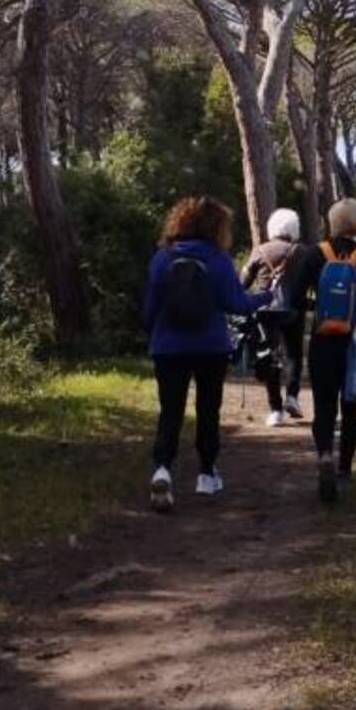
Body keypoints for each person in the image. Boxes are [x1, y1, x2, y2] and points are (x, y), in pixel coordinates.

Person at [142, 195, 270, 511]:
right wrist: (264, 298)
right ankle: (207, 474)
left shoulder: (162, 258)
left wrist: (153, 335)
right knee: (208, 410)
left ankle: (162, 468)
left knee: (170, 410)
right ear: (218, 227)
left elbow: (149, 307)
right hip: (210, 346)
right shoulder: (217, 258)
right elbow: (236, 304)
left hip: (168, 347)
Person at [276, 198, 356, 504]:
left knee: (324, 407)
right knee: (350, 408)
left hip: (323, 340)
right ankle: (344, 470)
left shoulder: (316, 253)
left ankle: (324, 454)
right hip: (354, 343)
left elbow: (295, 297)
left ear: (333, 221)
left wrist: (319, 305)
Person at [241, 208, 320, 427]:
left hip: (265, 311)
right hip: (294, 310)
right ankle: (292, 396)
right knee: (293, 355)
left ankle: (275, 410)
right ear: (294, 228)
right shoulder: (305, 252)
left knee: (269, 356)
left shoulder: (260, 250)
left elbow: (243, 283)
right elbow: (316, 285)